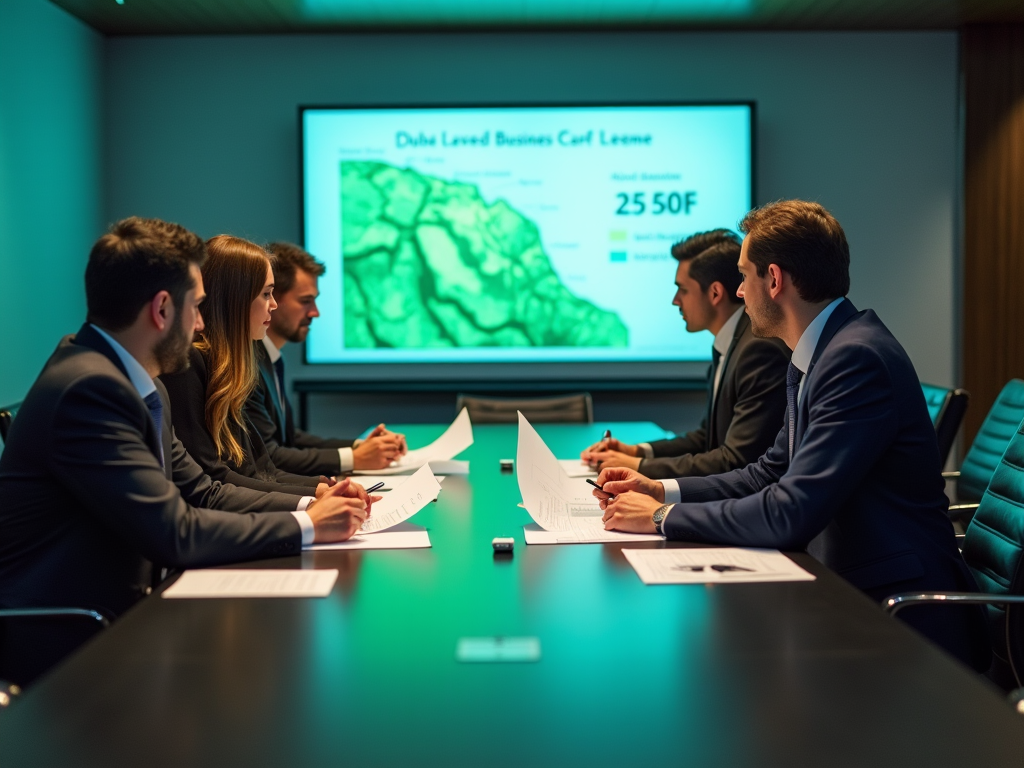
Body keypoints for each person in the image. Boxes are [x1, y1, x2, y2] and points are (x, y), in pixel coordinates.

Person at [593, 200, 989, 670]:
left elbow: (792, 511)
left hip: (897, 612)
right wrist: (659, 487)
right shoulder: (820, 352)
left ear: (774, 280)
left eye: (744, 276)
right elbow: (769, 471)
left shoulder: (853, 359)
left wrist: (661, 516)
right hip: (848, 586)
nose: (739, 292)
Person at [0, 218, 374, 685]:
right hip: (72, 640)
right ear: (162, 309)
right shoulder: (90, 390)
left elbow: (203, 491)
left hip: (124, 612)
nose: (202, 324)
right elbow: (174, 531)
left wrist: (310, 509)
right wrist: (307, 523)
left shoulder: (136, 380)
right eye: (196, 307)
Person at [580, 230, 790, 478]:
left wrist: (638, 468)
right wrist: (637, 452)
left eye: (683, 289)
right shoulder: (733, 342)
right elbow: (707, 439)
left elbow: (736, 460)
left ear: (715, 293)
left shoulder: (757, 350)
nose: (675, 300)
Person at [161, 236, 328, 497]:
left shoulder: (230, 368)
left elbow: (262, 470)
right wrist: (312, 500)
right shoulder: (190, 363)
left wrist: (325, 488)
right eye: (266, 294)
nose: (273, 304)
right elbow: (213, 477)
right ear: (235, 300)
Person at [245, 241, 405, 476]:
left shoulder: (271, 358)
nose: (315, 312)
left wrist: (361, 447)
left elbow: (289, 438)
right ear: (272, 298)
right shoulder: (247, 365)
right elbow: (270, 454)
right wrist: (354, 458)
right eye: (305, 301)